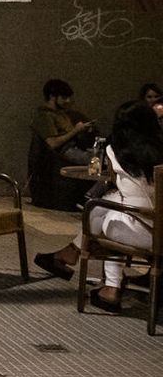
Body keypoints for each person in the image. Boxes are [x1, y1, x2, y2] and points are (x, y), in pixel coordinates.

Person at [34, 100, 161, 311]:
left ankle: (109, 286)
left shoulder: (116, 150)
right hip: (159, 228)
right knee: (107, 205)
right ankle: (73, 256)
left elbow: (112, 181)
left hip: (141, 231)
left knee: (102, 212)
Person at [34, 78, 98, 166]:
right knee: (97, 161)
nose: (68, 101)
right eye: (64, 98)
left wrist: (84, 129)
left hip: (73, 150)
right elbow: (52, 143)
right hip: (62, 156)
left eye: (69, 97)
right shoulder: (44, 116)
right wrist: (76, 130)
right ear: (52, 97)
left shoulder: (60, 113)